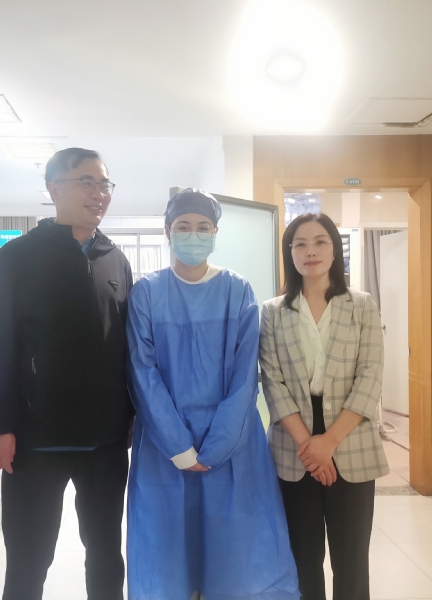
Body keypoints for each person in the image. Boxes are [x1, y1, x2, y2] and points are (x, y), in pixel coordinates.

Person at [0, 148, 133, 600]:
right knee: (28, 561)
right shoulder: (17, 258)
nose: (98, 193)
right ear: (54, 189)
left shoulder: (115, 260)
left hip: (104, 443)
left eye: (104, 184)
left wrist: (130, 420)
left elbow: (127, 347)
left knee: (106, 557)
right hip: (33, 440)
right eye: (86, 182)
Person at [126, 189, 299, 600]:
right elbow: (142, 373)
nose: (194, 235)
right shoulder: (146, 292)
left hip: (232, 441)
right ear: (167, 231)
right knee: (170, 552)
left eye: (203, 227)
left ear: (216, 232)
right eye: (183, 226)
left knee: (235, 554)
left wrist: (217, 445)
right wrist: (179, 447)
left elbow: (245, 375)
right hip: (165, 446)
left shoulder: (237, 290)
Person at [259, 213, 389, 600]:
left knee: (351, 560)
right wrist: (310, 446)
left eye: (320, 242)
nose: (310, 251)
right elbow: (272, 382)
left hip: (350, 439)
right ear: (290, 253)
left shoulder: (361, 305)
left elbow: (370, 376)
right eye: (299, 244)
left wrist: (328, 442)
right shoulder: (272, 311)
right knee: (303, 559)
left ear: (335, 250)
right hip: (293, 446)